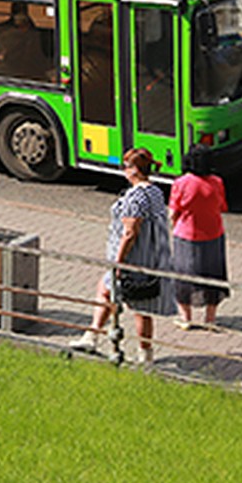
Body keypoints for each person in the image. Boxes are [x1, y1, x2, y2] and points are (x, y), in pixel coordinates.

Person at [70, 147, 174, 363]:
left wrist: (119, 262)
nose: (124, 170)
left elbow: (130, 232)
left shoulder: (136, 197)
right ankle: (96, 336)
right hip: (150, 257)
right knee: (111, 293)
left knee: (136, 306)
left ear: (134, 170)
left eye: (125, 166)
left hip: (133, 260)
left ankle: (102, 340)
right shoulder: (154, 191)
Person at [169, 144, 230, 328]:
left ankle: (185, 317)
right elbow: (222, 207)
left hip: (186, 235)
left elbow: (173, 212)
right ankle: (210, 318)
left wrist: (175, 225)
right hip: (213, 233)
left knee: (183, 274)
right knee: (213, 274)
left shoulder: (181, 183)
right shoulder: (217, 182)